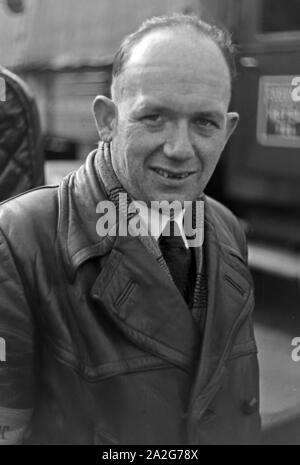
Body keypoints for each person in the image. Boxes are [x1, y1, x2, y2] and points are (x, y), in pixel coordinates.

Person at [0, 14, 260, 445]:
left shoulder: (226, 227)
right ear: (107, 120)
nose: (180, 150)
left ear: (227, 130)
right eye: (153, 118)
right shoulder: (19, 239)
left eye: (204, 123)